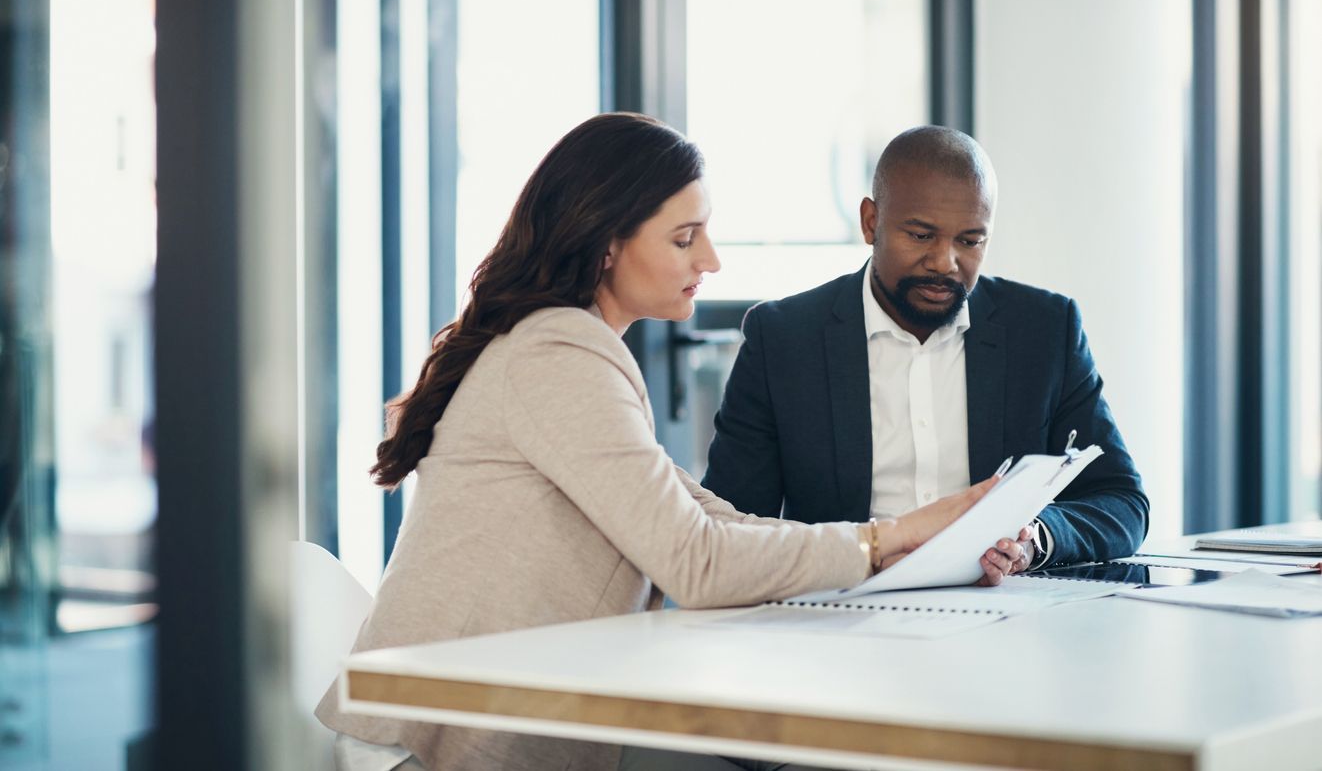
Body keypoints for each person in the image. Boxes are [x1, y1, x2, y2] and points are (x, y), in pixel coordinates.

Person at [315, 113, 1002, 771]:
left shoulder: (573, 348)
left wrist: (894, 541)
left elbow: (704, 515)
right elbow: (696, 562)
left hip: (494, 733)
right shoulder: (557, 354)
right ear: (607, 241)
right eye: (684, 238)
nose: (710, 259)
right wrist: (883, 542)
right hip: (428, 754)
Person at [703, 126, 1148, 577]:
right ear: (871, 222)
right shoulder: (784, 338)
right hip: (838, 616)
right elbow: (726, 529)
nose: (945, 262)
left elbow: (1121, 501)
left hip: (1004, 619)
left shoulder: (1045, 331)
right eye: (920, 236)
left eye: (970, 241)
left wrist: (1036, 537)